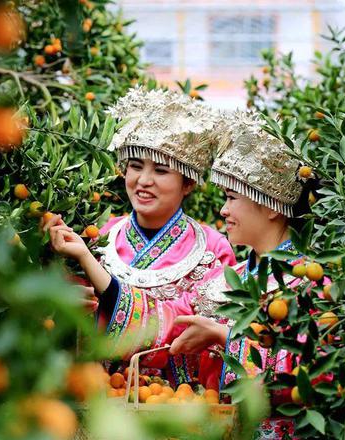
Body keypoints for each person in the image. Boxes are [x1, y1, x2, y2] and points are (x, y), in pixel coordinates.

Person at [43, 87, 236, 387]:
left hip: (176, 404)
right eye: (135, 166)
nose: (143, 181)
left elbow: (191, 334)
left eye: (160, 170)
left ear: (187, 184)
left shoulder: (213, 250)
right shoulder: (101, 235)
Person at [165, 110, 313, 439]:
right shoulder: (222, 281)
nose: (224, 210)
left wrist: (224, 337)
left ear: (273, 205)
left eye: (232, 198)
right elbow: (168, 324)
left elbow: (313, 375)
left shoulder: (312, 283)